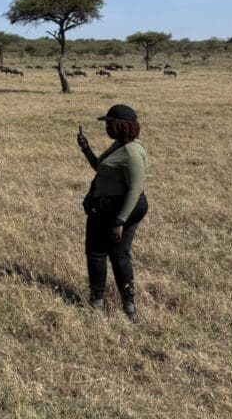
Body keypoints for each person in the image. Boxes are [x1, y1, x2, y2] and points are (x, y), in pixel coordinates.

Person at [77, 104, 149, 322]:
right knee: (118, 255)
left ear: (121, 125)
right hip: (111, 208)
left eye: (109, 123)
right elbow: (100, 167)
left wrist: (120, 220)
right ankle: (127, 308)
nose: (106, 127)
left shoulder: (132, 152)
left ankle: (102, 303)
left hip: (117, 210)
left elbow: (136, 189)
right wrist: (86, 149)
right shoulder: (120, 146)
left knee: (100, 253)